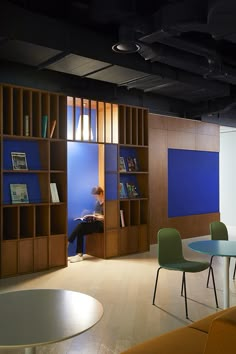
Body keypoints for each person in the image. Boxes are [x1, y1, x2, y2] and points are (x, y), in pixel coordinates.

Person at [68, 186, 104, 263]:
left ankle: (68, 241)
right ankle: (79, 254)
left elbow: (107, 217)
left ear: (101, 193)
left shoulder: (107, 202)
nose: (95, 198)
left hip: (103, 225)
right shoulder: (97, 203)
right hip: (96, 223)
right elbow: (97, 214)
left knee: (81, 226)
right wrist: (90, 215)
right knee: (80, 230)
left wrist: (97, 217)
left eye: (96, 196)